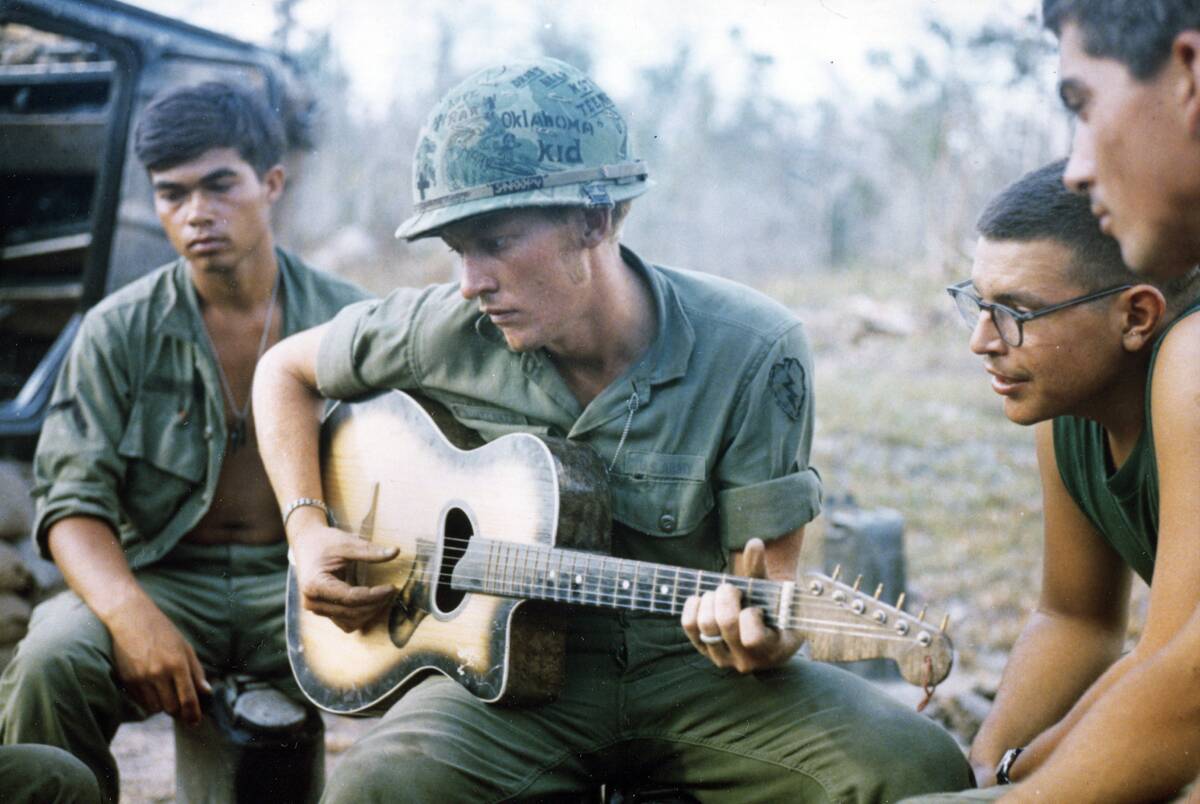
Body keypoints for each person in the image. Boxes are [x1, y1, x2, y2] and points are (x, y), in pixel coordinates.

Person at [252, 57, 970, 803]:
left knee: (916, 768)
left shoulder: (753, 349)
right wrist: (306, 532)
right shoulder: (443, 326)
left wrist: (766, 633)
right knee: (371, 789)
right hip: (498, 687)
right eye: (457, 250)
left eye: (495, 241)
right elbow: (283, 372)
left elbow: (770, 590)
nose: (470, 281)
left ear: (595, 219)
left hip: (696, 676)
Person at [0, 81, 368, 803]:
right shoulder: (119, 330)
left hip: (299, 584)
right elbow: (71, 505)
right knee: (49, 657)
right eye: (172, 194)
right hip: (165, 578)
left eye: (219, 185)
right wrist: (132, 616)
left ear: (271, 183)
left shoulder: (350, 320)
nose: (196, 213)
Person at [905, 161, 1200, 804]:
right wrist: (984, 766)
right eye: (978, 304)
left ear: (1137, 316)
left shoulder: (1192, 364)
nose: (983, 340)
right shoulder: (1064, 399)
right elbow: (1075, 619)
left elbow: (1177, 671)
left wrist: (1021, 775)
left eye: (1015, 312)